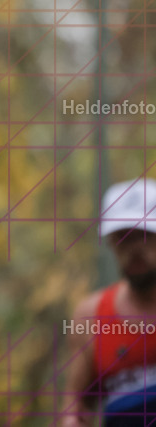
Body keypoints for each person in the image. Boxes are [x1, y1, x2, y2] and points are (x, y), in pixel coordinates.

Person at [63, 178, 156, 426]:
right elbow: (76, 406)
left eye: (144, 234)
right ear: (112, 243)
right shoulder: (91, 316)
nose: (135, 248)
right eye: (124, 236)